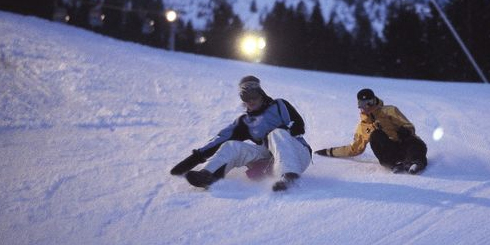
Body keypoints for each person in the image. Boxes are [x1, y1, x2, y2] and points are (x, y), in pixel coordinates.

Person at [170, 76, 311, 191]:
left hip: (297, 154)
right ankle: (208, 175)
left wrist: (277, 132)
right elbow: (218, 141)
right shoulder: (245, 122)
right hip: (270, 160)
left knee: (277, 134)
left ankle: (290, 177)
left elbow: (299, 126)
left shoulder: (280, 105)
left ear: (261, 94)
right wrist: (190, 161)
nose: (250, 100)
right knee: (231, 145)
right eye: (245, 97)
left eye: (253, 95)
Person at [314, 88, 428, 174]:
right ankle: (394, 164)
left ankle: (415, 162)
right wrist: (329, 152)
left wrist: (406, 130)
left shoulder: (389, 110)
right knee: (375, 135)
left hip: (405, 145)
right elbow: (354, 149)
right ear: (359, 105)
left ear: (375, 101)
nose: (367, 107)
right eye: (363, 104)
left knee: (413, 142)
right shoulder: (362, 127)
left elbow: (408, 125)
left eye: (370, 102)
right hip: (392, 152)